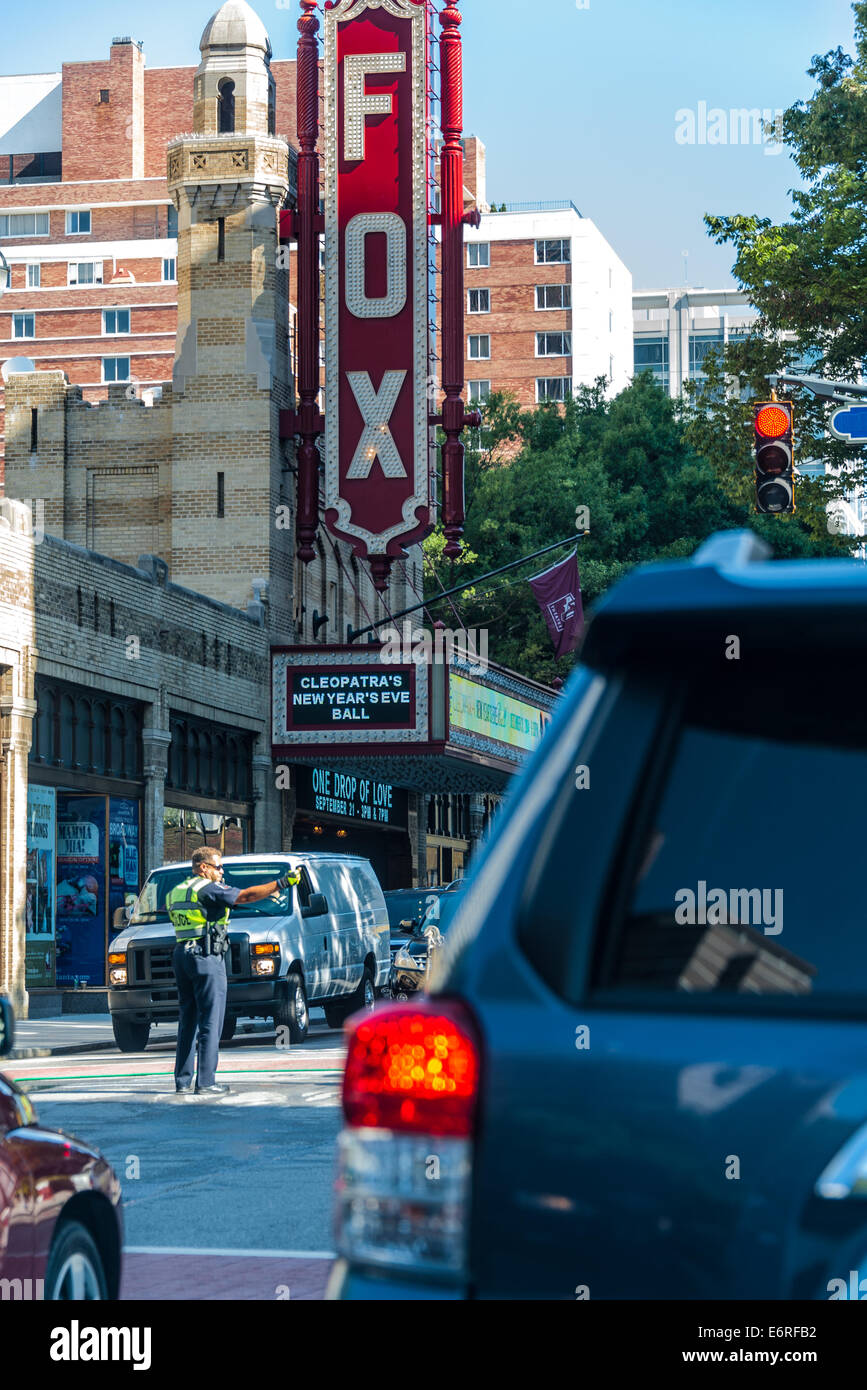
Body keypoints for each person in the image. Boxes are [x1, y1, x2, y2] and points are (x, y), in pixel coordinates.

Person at [166, 847, 300, 1096]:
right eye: (218, 867)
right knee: (211, 1020)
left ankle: (182, 1081)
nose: (221, 871)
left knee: (188, 1020)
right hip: (206, 957)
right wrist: (281, 883)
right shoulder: (208, 888)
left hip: (182, 954)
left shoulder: (175, 891)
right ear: (203, 867)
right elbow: (246, 896)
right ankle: (206, 1082)